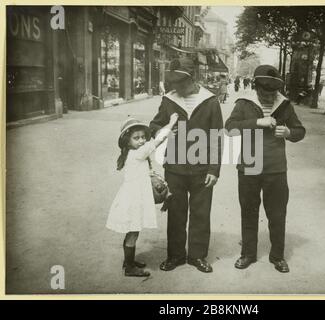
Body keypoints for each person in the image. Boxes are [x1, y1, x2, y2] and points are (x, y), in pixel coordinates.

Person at [225, 65, 306, 273]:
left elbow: (300, 131)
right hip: (249, 165)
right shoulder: (244, 103)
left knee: (277, 214)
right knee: (249, 212)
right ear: (256, 87)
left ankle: (277, 256)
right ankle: (248, 254)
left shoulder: (285, 104)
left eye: (273, 92)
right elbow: (230, 128)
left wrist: (288, 132)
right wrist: (257, 122)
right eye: (265, 92)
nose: (270, 96)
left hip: (275, 168)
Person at [149, 57, 224, 273]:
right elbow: (155, 125)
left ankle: (197, 256)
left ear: (193, 79)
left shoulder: (210, 101)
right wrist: (163, 132)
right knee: (176, 212)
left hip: (202, 169)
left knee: (201, 213)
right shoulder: (168, 100)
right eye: (174, 83)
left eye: (182, 83)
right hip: (175, 168)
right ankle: (175, 256)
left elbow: (217, 137)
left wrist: (213, 169)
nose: (178, 88)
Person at [106, 114, 179, 277]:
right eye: (136, 138)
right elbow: (158, 140)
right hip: (134, 200)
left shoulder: (131, 153)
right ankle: (130, 268)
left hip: (132, 196)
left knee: (133, 230)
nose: (141, 141)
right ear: (127, 141)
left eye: (143, 137)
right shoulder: (138, 153)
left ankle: (129, 261)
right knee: (133, 231)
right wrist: (171, 122)